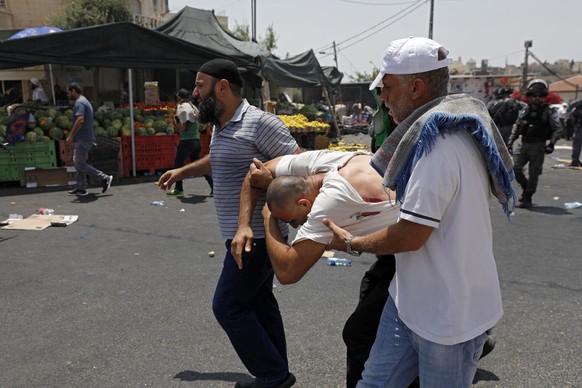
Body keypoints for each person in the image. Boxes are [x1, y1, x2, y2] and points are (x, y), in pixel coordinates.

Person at [323, 36, 515, 387]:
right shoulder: (450, 129)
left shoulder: (437, 147)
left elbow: (411, 235)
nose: (381, 96)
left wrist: (351, 242)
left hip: (448, 320)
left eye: (387, 86)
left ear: (416, 87)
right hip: (409, 302)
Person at [157, 59, 300, 388]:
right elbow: (219, 159)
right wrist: (182, 171)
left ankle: (271, 374)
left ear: (222, 87)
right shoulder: (223, 126)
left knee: (228, 306)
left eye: (200, 85)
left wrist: (273, 208)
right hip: (238, 236)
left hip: (257, 236)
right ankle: (277, 371)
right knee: (260, 302)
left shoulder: (260, 123)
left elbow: (299, 164)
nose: (194, 92)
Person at [231, 150, 404, 388]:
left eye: (292, 220)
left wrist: (268, 217)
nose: (295, 226)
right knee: (371, 298)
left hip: (420, 252)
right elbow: (258, 171)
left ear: (304, 203)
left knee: (359, 333)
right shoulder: (326, 162)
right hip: (397, 250)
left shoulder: (326, 206)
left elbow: (287, 273)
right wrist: (243, 225)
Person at [507, 79, 562, 208]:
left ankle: (528, 197)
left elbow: (558, 129)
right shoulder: (524, 111)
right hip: (524, 143)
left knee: (534, 173)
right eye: (534, 95)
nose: (537, 98)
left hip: (538, 146)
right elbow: (517, 127)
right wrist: (510, 143)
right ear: (529, 97)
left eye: (540, 96)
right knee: (515, 168)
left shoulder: (549, 112)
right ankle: (526, 188)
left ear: (543, 97)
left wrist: (551, 144)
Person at [66, 83, 113, 197]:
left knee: (80, 163)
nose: (68, 95)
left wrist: (71, 135)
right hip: (84, 138)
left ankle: (104, 178)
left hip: (83, 138)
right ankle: (81, 188)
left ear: (73, 91)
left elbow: (80, 119)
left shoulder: (80, 103)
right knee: (78, 162)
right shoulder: (84, 100)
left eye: (68, 92)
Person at [166, 88, 213, 197]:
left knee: (178, 164)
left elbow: (183, 128)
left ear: (179, 97)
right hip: (196, 141)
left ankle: (179, 189)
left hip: (186, 141)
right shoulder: (193, 107)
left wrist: (176, 122)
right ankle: (214, 187)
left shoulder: (183, 108)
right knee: (199, 166)